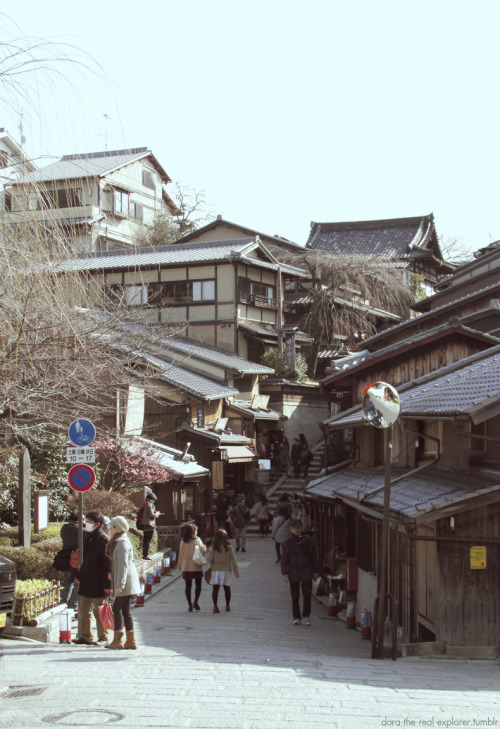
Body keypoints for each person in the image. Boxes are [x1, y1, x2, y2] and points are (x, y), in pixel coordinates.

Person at [72, 510, 111, 645]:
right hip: (87, 579)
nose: (86, 524)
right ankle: (86, 636)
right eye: (86, 521)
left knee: (99, 610)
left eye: (89, 522)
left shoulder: (103, 539)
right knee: (83, 611)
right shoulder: (87, 537)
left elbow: (107, 564)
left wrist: (107, 585)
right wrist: (79, 575)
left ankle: (103, 636)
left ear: (97, 524)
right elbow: (86, 560)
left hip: (99, 580)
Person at [105, 516, 141, 650]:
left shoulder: (122, 543)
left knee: (116, 609)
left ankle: (118, 640)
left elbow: (124, 565)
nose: (109, 529)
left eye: (111, 526)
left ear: (116, 528)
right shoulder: (120, 541)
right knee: (126, 611)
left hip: (125, 582)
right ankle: (130, 641)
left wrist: (120, 583)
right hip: (125, 581)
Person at [281, 518, 316, 626]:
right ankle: (296, 616)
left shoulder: (308, 540)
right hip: (293, 571)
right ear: (291, 529)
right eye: (295, 528)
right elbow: (284, 558)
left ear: (302, 529)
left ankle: (306, 615)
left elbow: (314, 556)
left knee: (307, 594)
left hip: (306, 570)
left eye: (299, 528)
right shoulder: (288, 542)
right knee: (295, 596)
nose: (297, 530)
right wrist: (284, 572)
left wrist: (315, 571)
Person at [208, 529, 239, 613]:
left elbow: (210, 559)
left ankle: (215, 606)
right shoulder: (229, 546)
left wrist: (212, 565)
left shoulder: (213, 546)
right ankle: (227, 605)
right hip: (226, 569)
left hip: (216, 569)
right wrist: (236, 571)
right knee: (227, 588)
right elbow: (233, 559)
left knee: (215, 589)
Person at [178, 523, 206, 611]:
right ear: (194, 532)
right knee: (198, 585)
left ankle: (189, 604)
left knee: (188, 586)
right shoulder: (197, 540)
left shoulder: (183, 541)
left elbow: (181, 555)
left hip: (186, 565)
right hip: (196, 565)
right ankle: (196, 601)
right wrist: (204, 548)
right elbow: (202, 552)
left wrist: (180, 566)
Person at [59, 510, 79, 611]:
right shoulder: (80, 530)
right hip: (76, 557)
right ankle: (74, 603)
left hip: (66, 556)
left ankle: (64, 602)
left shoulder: (64, 528)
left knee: (69, 580)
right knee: (77, 581)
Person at [141, 492, 161, 560]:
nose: (154, 501)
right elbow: (151, 515)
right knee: (148, 541)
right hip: (149, 525)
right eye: (154, 500)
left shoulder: (145, 503)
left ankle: (144, 554)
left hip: (145, 525)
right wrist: (157, 514)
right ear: (152, 498)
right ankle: (145, 555)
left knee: (145, 540)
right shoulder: (149, 504)